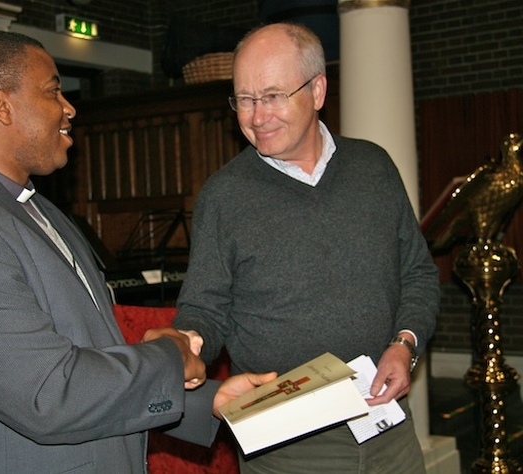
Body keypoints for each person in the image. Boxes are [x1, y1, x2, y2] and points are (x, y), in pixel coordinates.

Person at [0, 29, 276, 474]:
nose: (69, 108)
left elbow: (87, 355)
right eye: (53, 91)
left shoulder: (36, 208)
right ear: (0, 104)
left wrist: (205, 399)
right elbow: (47, 393)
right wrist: (170, 355)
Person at [172, 22, 440, 474]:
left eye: (273, 96)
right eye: (244, 99)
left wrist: (404, 344)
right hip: (285, 442)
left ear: (317, 90)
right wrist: (186, 342)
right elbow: (205, 308)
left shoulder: (373, 167)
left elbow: (417, 274)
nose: (256, 117)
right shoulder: (224, 196)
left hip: (386, 424)